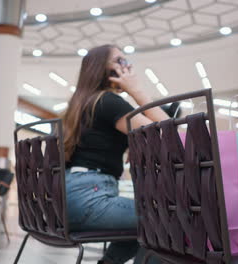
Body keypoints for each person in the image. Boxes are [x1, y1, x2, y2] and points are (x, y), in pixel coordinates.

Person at [63, 44, 169, 264]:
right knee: (166, 217)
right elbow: (168, 132)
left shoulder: (83, 103)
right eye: (120, 61)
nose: (127, 66)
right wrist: (137, 90)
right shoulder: (107, 101)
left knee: (138, 226)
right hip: (89, 198)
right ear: (101, 68)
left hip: (66, 199)